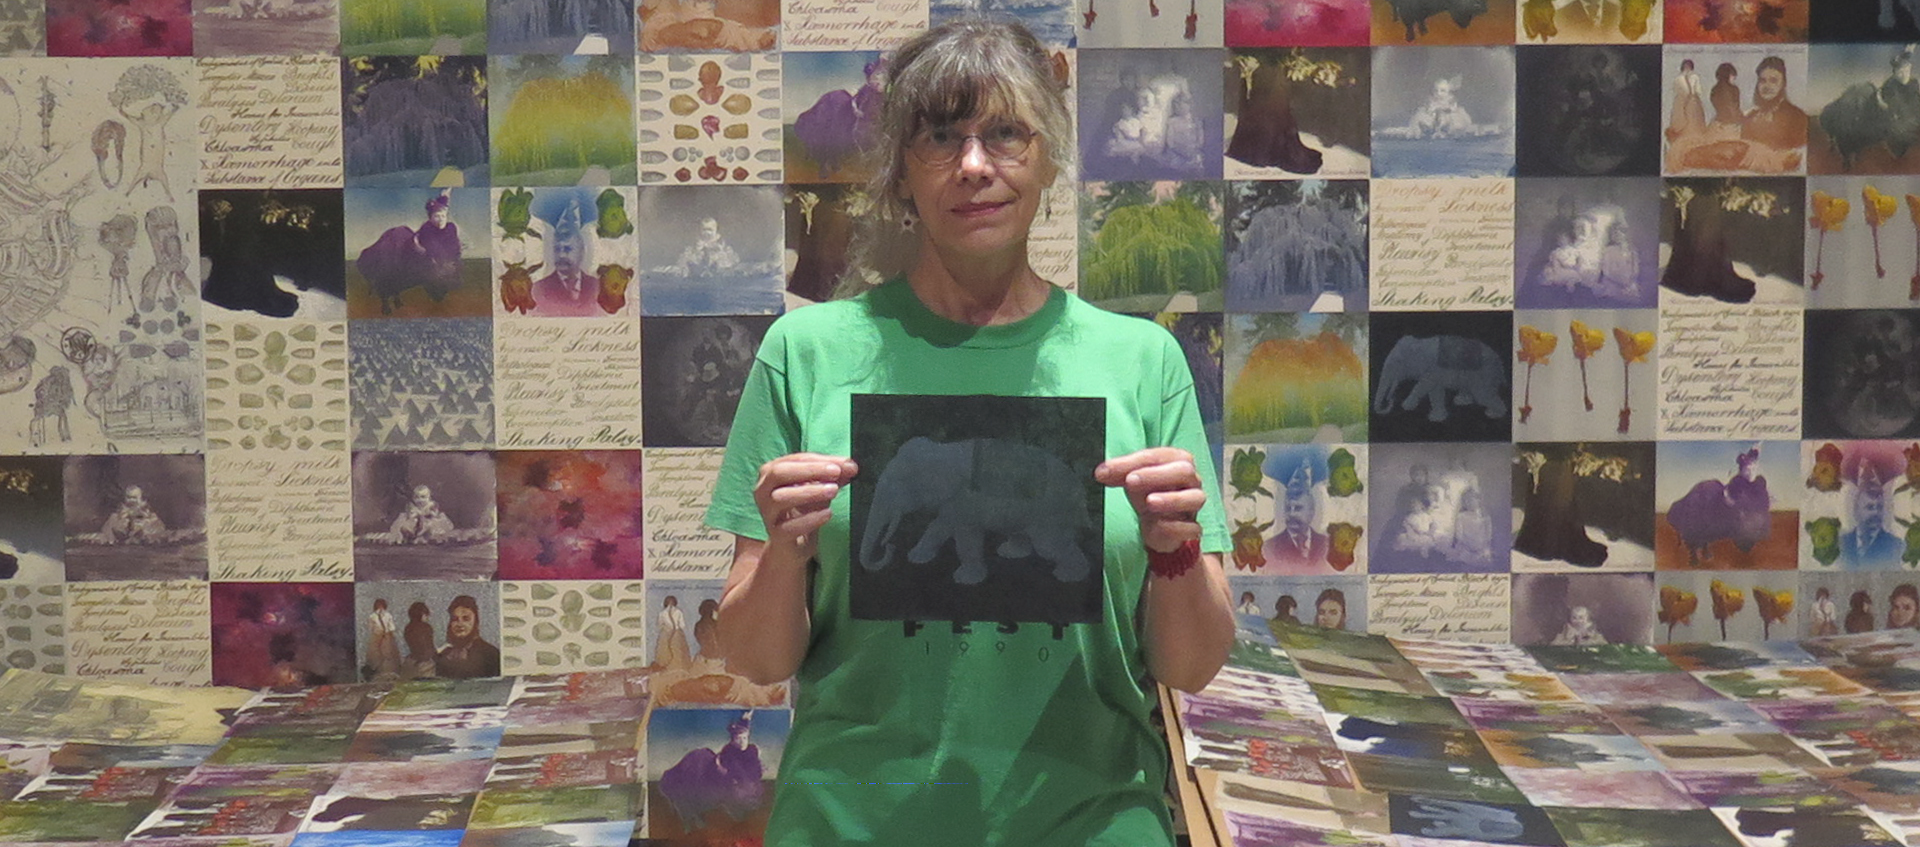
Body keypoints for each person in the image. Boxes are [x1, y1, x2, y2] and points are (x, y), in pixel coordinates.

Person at [703, 17, 1232, 847]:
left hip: (1090, 823)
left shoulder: (1143, 360)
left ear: (1050, 156)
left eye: (1006, 134)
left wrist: (1175, 548)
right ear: (902, 172)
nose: (975, 165)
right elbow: (760, 658)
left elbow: (1192, 666)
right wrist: (782, 554)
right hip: (852, 820)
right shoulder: (803, 353)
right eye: (941, 137)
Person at [532, 201, 606, 316]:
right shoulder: (538, 290)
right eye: (557, 249)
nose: (561, 256)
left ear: (581, 250)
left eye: (567, 249)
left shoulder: (597, 287)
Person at [1741, 56, 1807, 153]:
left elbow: (1798, 155)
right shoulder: (1750, 117)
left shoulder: (1797, 117)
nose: (1767, 86)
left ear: (1783, 84)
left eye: (1773, 81)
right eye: (1762, 81)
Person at [434, 594, 500, 679]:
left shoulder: (491, 654)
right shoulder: (444, 655)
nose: (460, 624)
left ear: (476, 621)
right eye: (455, 619)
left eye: (466, 619)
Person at [100, 485, 166, 544]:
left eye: (134, 498)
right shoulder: (120, 513)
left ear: (141, 499)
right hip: (122, 536)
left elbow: (155, 526)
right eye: (129, 497)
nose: (132, 500)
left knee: (152, 522)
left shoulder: (147, 513)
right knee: (113, 518)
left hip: (142, 535)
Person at [1668, 59, 1707, 142]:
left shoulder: (1681, 78)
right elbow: (1697, 91)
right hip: (1688, 103)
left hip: (1687, 103)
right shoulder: (1690, 78)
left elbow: (1697, 91)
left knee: (1691, 123)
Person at [366, 598, 403, 679]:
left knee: (389, 655)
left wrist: (388, 633)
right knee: (376, 655)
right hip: (376, 637)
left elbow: (392, 627)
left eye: (382, 606)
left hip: (387, 637)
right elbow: (370, 628)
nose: (380, 608)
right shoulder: (372, 616)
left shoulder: (388, 615)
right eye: (379, 606)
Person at [655, 595, 692, 670]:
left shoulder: (662, 613)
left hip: (665, 635)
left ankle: (665, 667)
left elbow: (659, 625)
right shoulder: (679, 612)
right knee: (678, 652)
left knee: (664, 651)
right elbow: (682, 625)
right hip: (677, 635)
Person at [404, 601, 436, 673]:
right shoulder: (426, 627)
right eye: (426, 615)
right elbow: (429, 648)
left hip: (412, 661)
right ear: (422, 614)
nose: (428, 617)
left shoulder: (408, 628)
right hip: (425, 664)